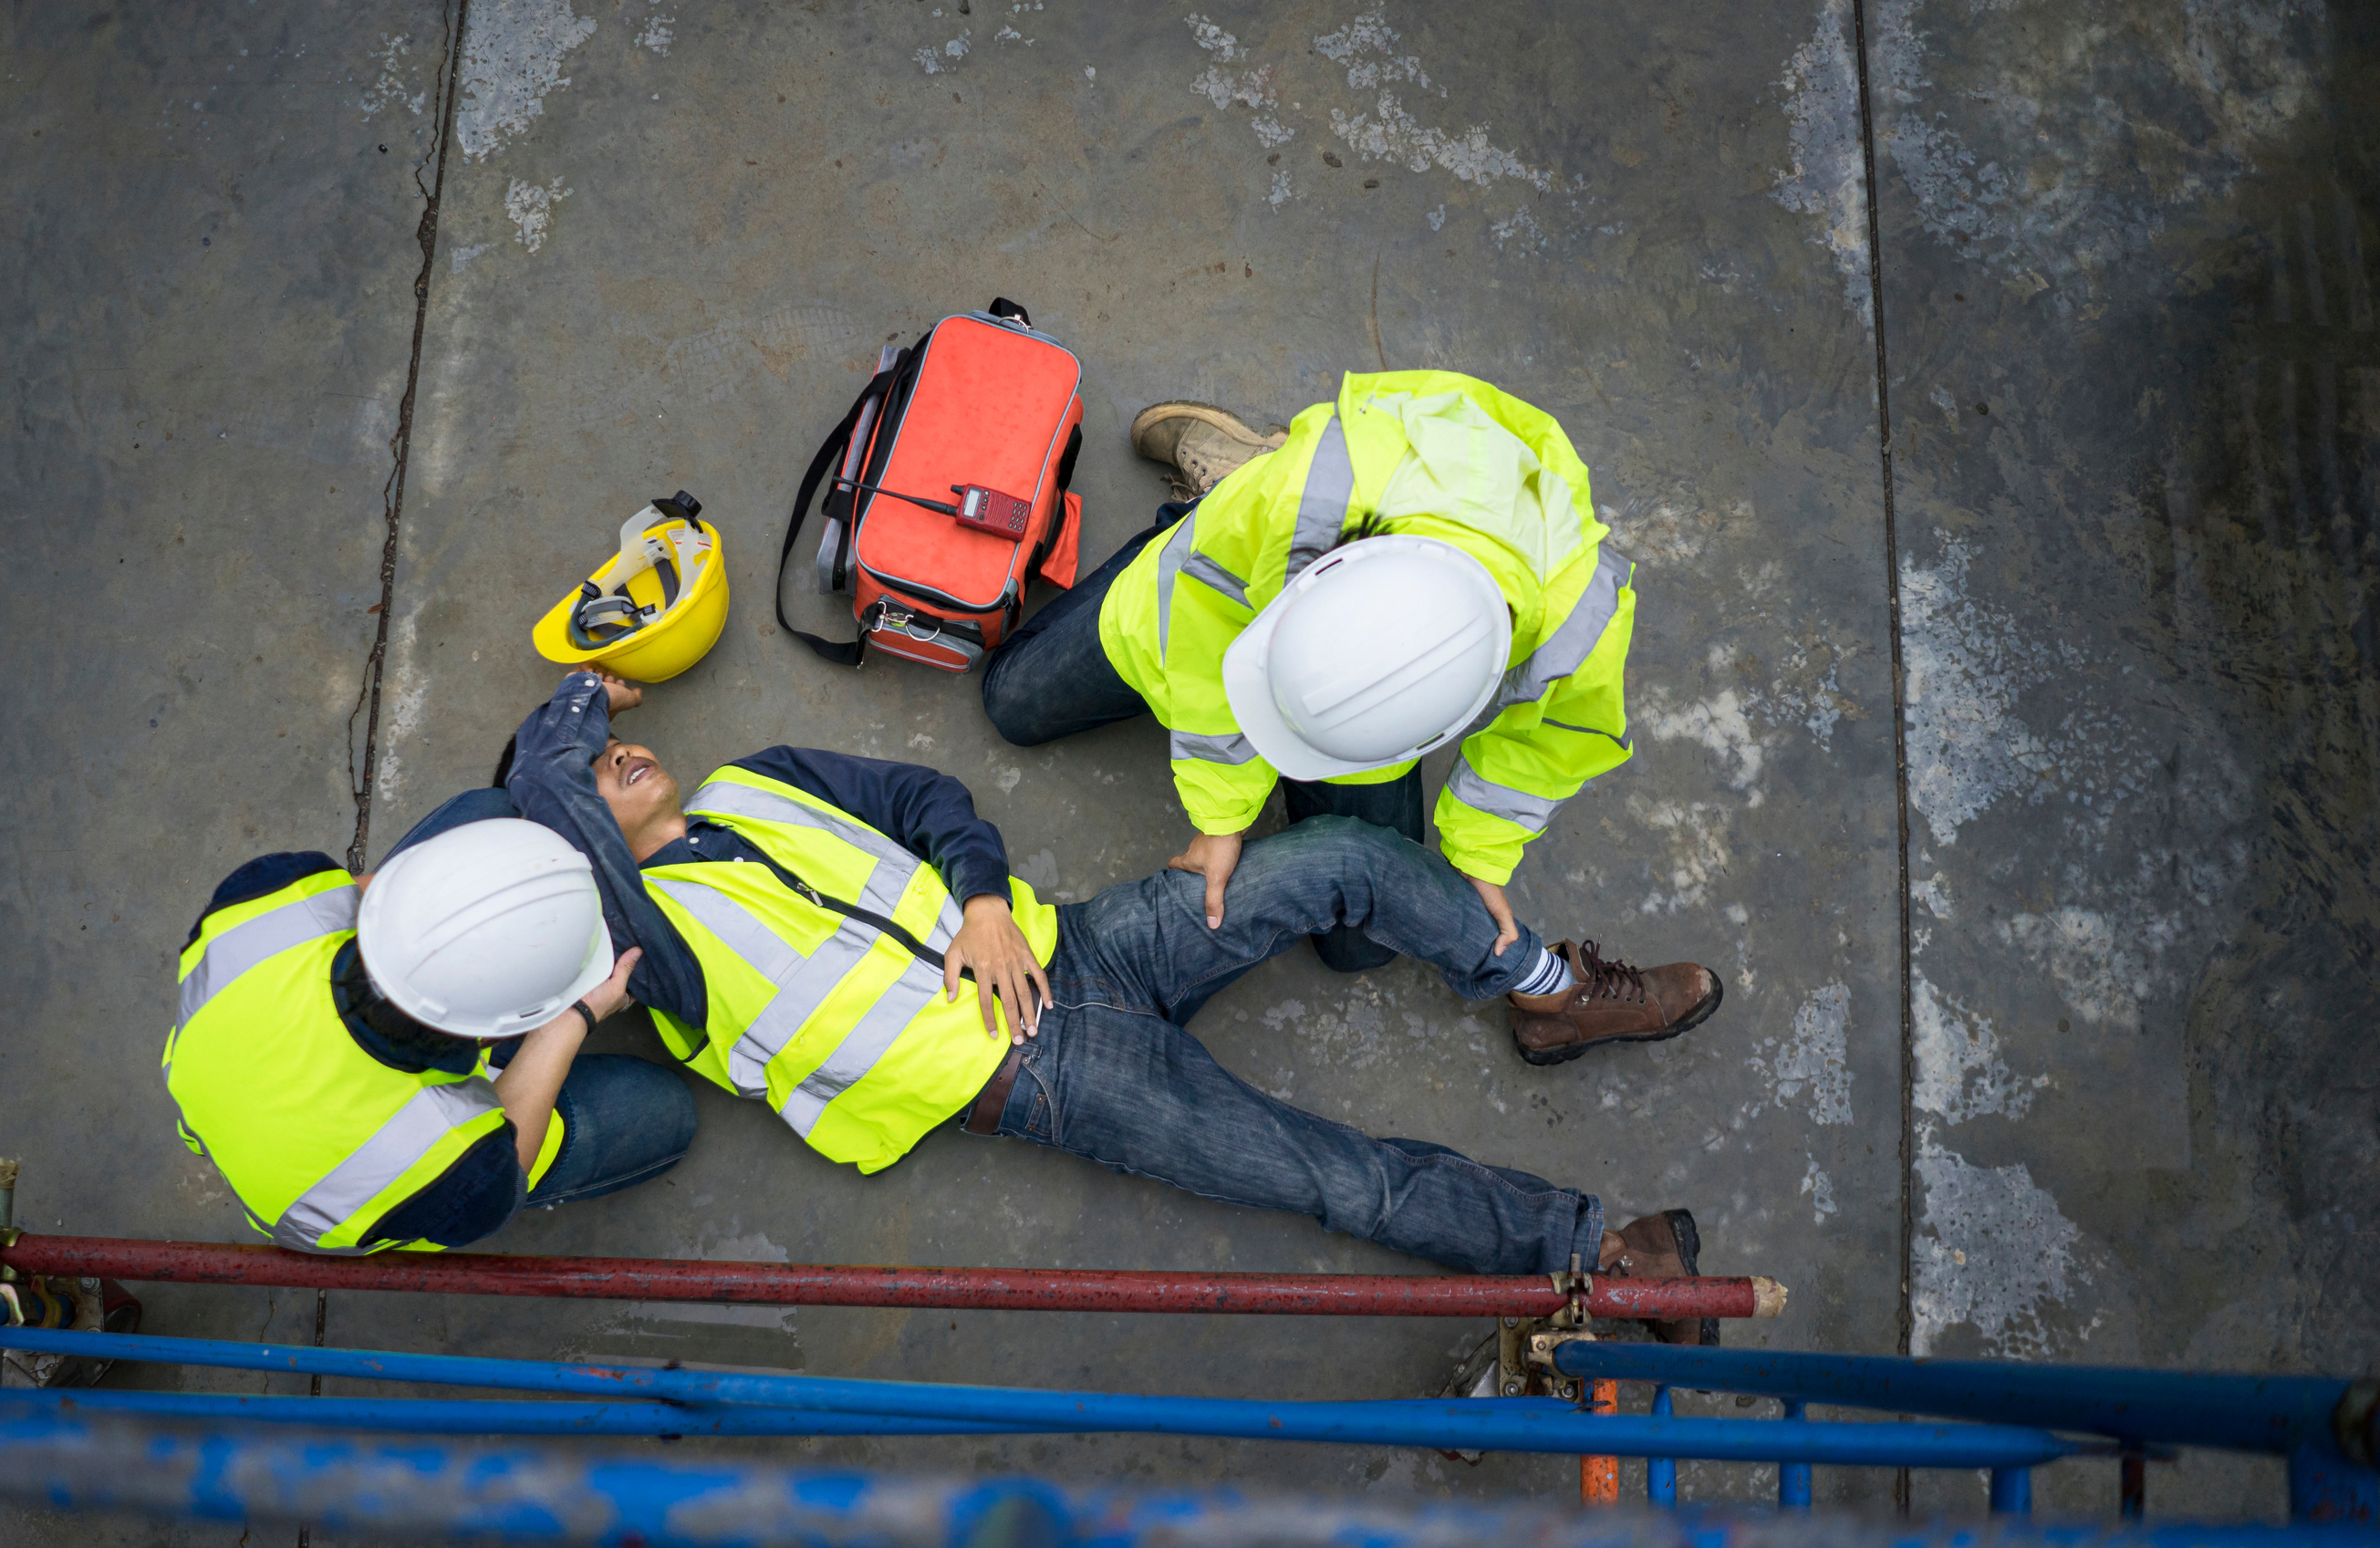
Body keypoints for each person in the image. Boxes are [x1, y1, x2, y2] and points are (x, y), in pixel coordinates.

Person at [496, 668, 1712, 1337]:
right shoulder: (644, 963)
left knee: (1340, 853)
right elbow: (574, 855)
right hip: (1052, 1083)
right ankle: (1596, 1251)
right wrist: (565, 731)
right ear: (585, 846)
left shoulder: (755, 786)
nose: (621, 757)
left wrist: (978, 900)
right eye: (598, 774)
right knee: (1338, 1179)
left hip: (1082, 945)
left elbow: (926, 796)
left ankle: (1547, 991)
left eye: (609, 747)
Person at [981, 372, 1719, 1067]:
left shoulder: (1582, 607)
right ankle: (1219, 491)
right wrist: (1221, 816)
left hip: (1354, 673)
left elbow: (1553, 744)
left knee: (1360, 949)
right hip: (1226, 560)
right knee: (1013, 701)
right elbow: (1199, 635)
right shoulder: (1302, 496)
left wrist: (1480, 855)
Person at [161, 790, 696, 1252]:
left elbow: (374, 894)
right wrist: (574, 1019)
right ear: (498, 1031)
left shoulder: (267, 895)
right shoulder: (452, 1164)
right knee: (663, 1114)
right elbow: (507, 1167)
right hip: (334, 1204)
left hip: (227, 1092)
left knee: (496, 812)